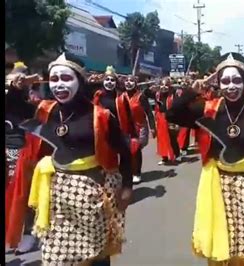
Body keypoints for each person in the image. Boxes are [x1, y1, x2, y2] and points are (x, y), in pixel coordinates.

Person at [166, 52, 244, 265]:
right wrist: (192, 91)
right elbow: (172, 114)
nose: (231, 86)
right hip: (221, 190)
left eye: (236, 80)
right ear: (218, 83)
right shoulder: (208, 110)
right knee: (226, 249)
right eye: (225, 81)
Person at [20, 53, 133, 265]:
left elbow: (125, 152)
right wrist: (17, 87)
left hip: (93, 194)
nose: (59, 85)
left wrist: (127, 187)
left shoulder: (101, 116)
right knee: (56, 256)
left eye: (66, 78)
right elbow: (14, 111)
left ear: (79, 82)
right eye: (54, 80)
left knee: (96, 254)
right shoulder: (47, 110)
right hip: (58, 194)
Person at [5, 62, 40, 254]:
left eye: (22, 78)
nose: (17, 81)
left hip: (22, 152)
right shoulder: (9, 97)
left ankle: (27, 234)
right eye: (13, 77)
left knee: (22, 195)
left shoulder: (29, 105)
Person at [123, 75, 156, 183]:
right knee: (127, 152)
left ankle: (137, 173)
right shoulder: (121, 96)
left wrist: (152, 128)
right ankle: (128, 172)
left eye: (131, 81)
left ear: (136, 83)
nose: (128, 83)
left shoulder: (141, 96)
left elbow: (149, 113)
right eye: (126, 81)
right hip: (126, 128)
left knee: (136, 150)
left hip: (140, 127)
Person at [154, 77, 180, 165]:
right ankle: (164, 157)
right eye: (162, 85)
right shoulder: (157, 95)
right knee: (161, 139)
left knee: (172, 138)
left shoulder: (173, 95)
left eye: (166, 85)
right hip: (160, 119)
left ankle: (176, 155)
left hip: (170, 118)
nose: (163, 87)